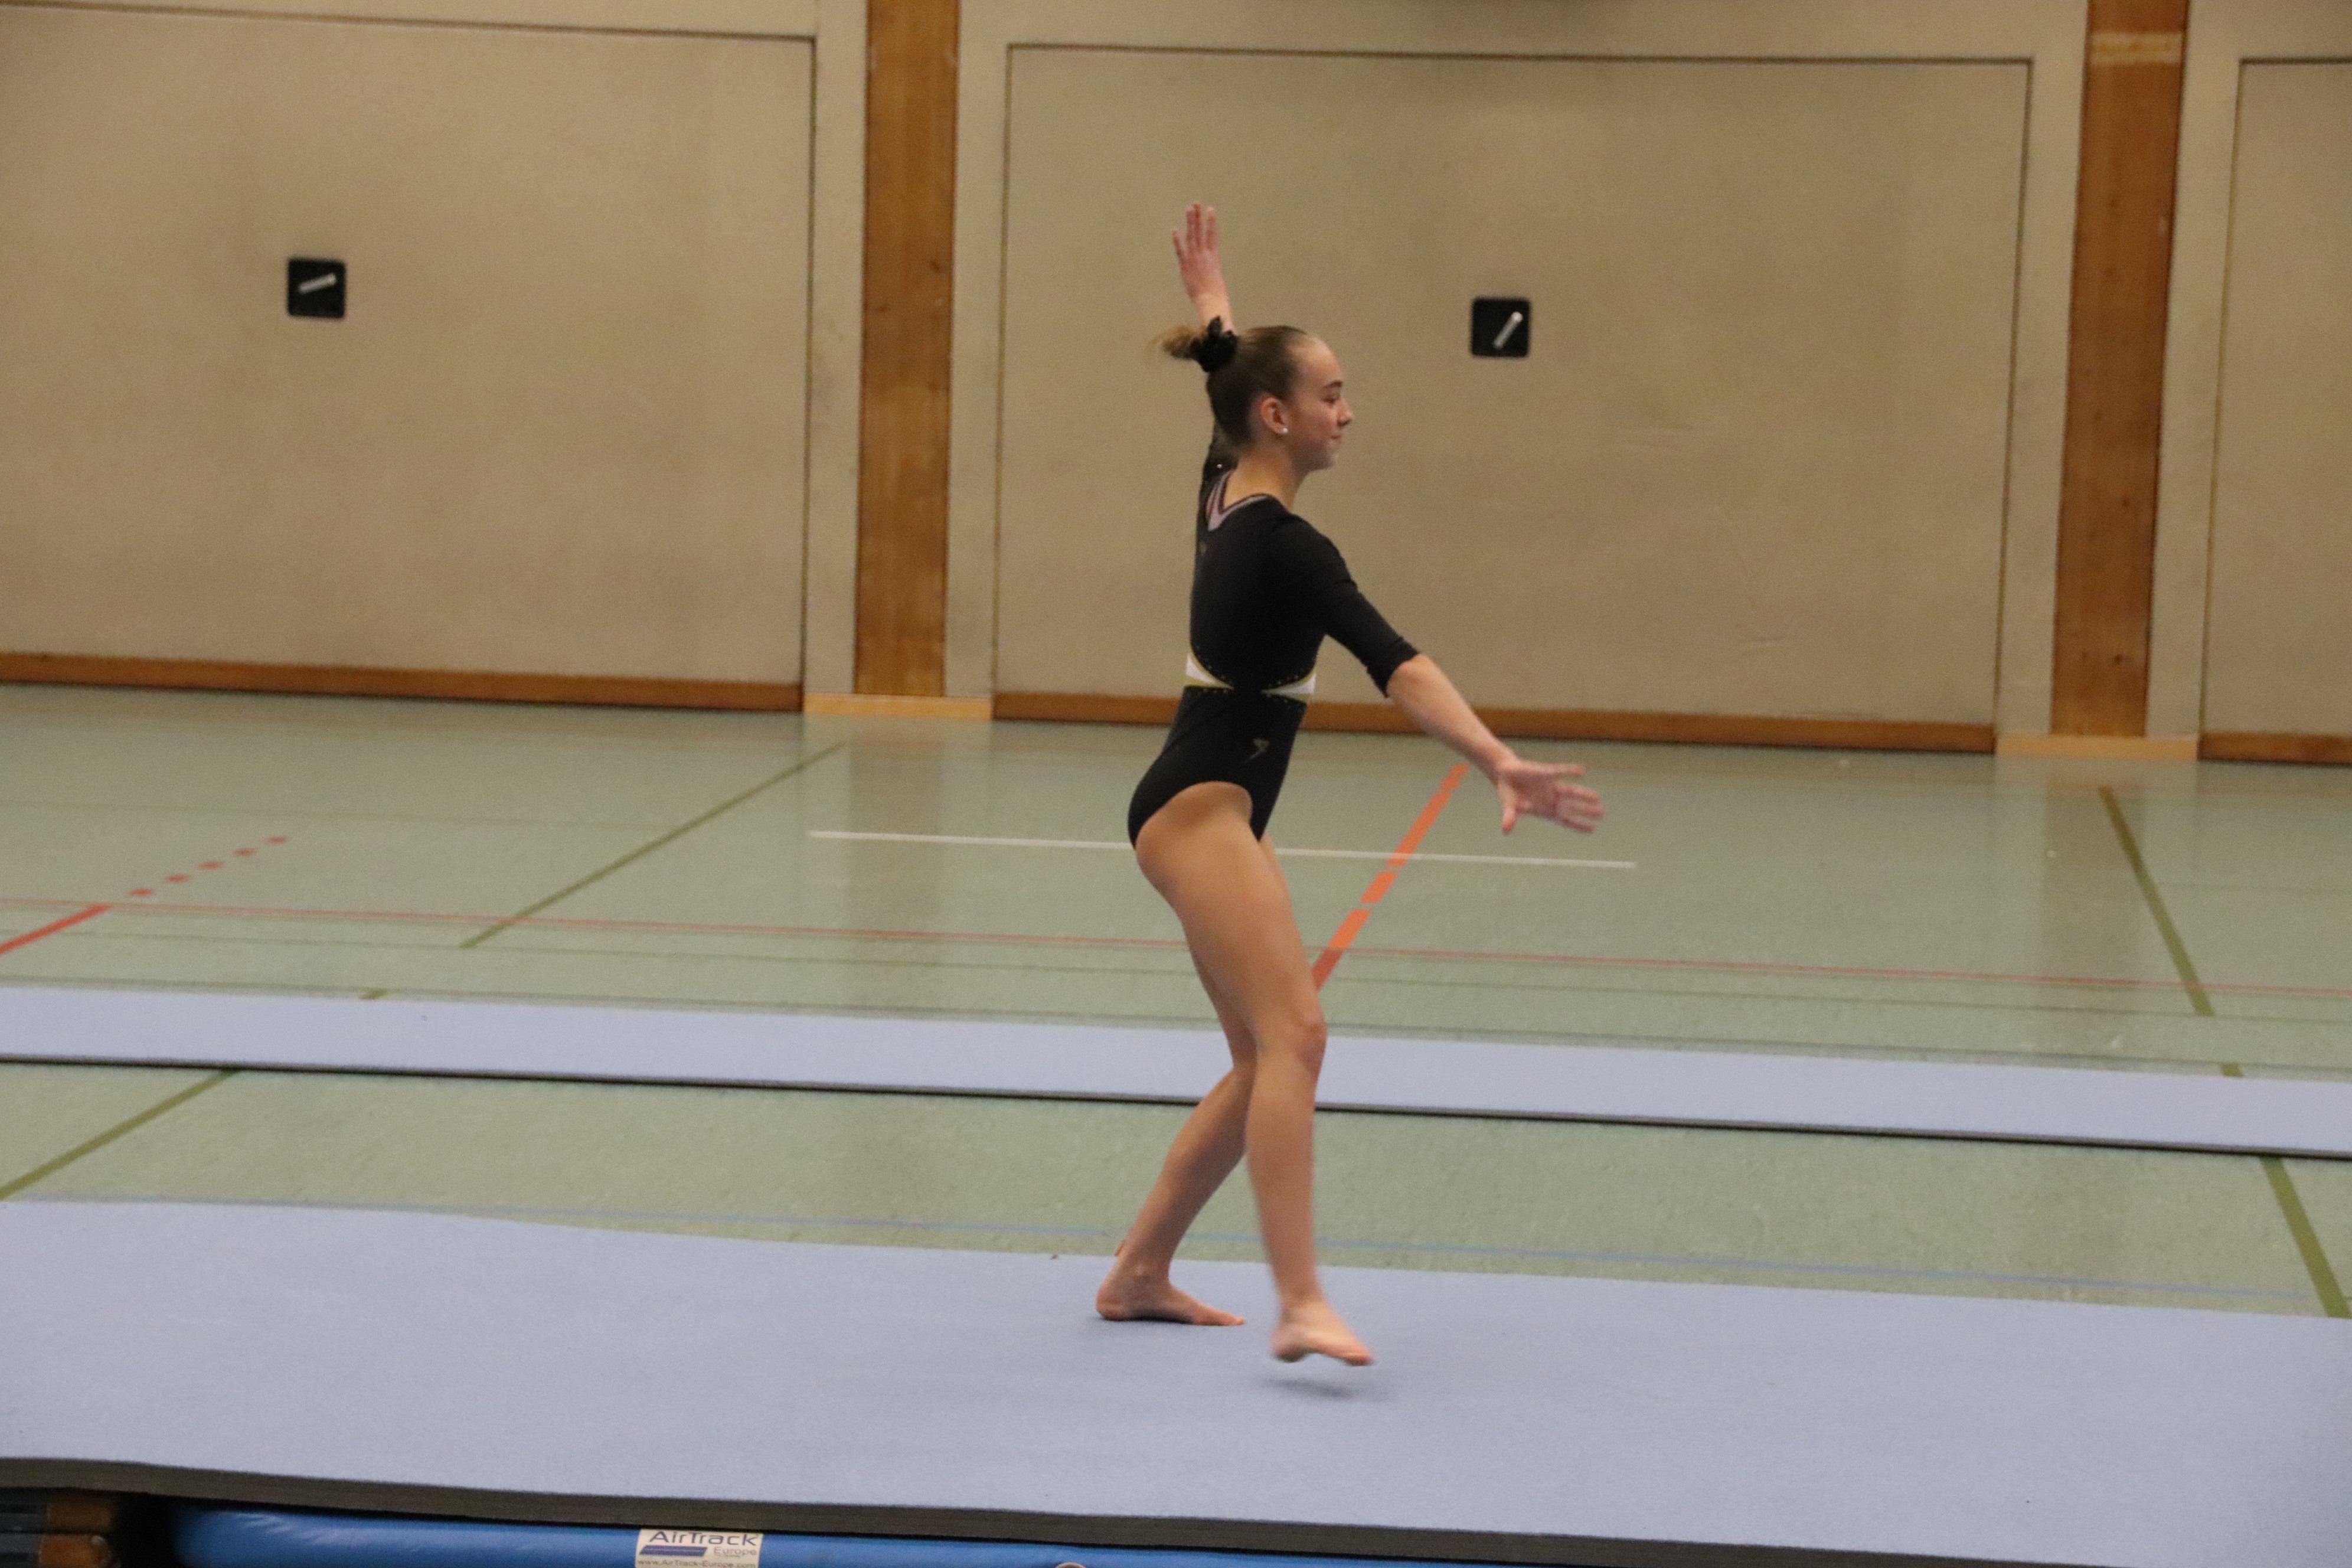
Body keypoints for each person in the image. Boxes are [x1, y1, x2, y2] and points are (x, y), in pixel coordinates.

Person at [1094, 205, 1606, 1366]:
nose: (1348, 410)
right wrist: (1496, 756)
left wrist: (1215, 305)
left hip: (1204, 803)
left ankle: (1139, 1271)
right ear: (1279, 416)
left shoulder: (1225, 486)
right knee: (1299, 1035)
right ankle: (1300, 1298)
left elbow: (1225, 380)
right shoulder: (1286, 544)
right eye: (1332, 394)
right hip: (1200, 807)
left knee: (1260, 1055)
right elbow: (1398, 663)